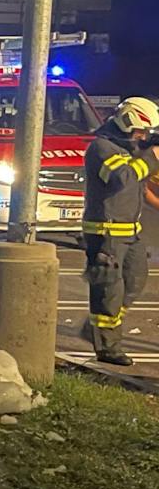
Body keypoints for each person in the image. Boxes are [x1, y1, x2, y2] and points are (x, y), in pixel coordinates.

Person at [81, 96, 159, 365]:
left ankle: (101, 329)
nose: (143, 136)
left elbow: (141, 186)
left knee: (135, 281)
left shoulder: (129, 148)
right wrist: (152, 157)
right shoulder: (102, 148)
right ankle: (107, 347)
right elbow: (122, 179)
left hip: (130, 232)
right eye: (141, 131)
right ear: (128, 122)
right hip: (106, 233)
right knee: (108, 290)